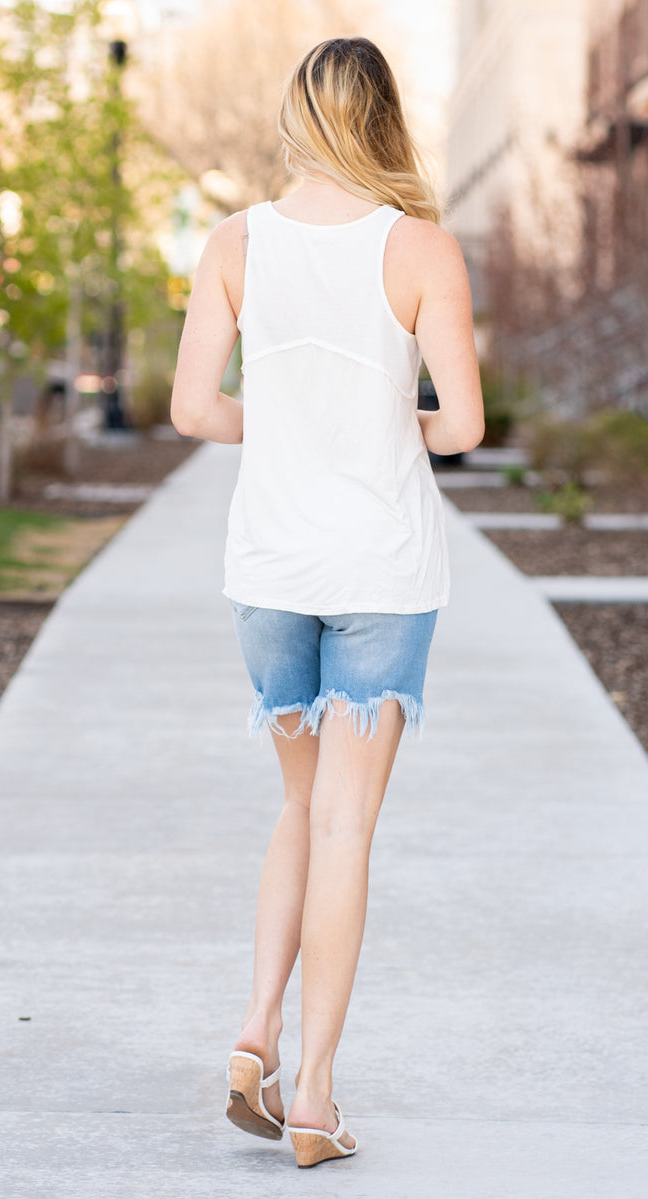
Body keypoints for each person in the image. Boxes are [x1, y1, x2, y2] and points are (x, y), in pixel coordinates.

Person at [171, 36, 483, 1169]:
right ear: (384, 117)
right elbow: (461, 427)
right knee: (347, 825)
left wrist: (285, 423)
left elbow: (193, 410)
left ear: (296, 117)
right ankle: (311, 1094)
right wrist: (386, 420)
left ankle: (254, 1031)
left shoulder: (234, 242)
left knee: (299, 807)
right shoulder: (420, 248)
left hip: (271, 570)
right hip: (380, 571)